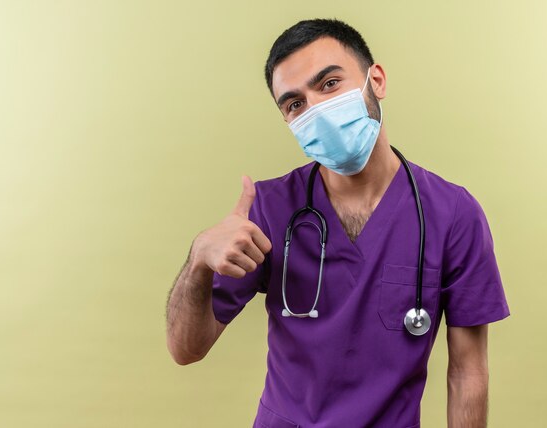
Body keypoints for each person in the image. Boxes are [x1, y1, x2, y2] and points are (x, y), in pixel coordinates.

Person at [166, 18, 511, 428]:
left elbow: (467, 371)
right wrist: (199, 260)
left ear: (376, 81)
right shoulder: (270, 209)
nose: (318, 111)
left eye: (329, 84)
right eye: (295, 104)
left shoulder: (453, 214)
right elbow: (186, 349)